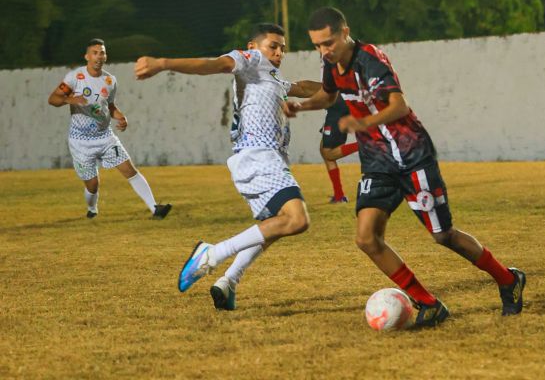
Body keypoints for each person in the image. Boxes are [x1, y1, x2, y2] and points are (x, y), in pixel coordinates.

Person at [285, 7, 526, 326]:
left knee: (444, 236)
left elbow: (399, 106)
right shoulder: (333, 63)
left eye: (328, 43)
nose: (324, 51)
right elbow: (329, 96)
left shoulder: (370, 59)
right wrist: (302, 106)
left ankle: (508, 280)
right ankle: (429, 304)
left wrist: (363, 122)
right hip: (377, 162)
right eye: (317, 45)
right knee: (366, 237)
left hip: (412, 156)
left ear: (345, 32)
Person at [135, 23, 320, 311]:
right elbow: (215, 64)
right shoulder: (251, 61)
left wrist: (341, 83)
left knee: (274, 226)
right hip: (259, 158)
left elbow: (303, 87)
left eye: (282, 47)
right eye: (273, 45)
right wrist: (163, 63)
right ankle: (213, 253)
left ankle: (229, 280)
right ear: (252, 47)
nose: (279, 51)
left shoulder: (272, 77)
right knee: (297, 220)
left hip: (264, 160)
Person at [48, 38, 172, 220]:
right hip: (80, 140)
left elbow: (110, 106)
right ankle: (92, 208)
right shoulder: (74, 78)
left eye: (102, 52)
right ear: (87, 56)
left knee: (130, 170)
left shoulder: (109, 80)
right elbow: (53, 99)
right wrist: (70, 99)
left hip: (105, 136)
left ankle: (155, 209)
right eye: (95, 53)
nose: (99, 56)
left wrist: (121, 116)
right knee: (92, 185)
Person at [319, 94, 358, 203]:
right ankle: (338, 195)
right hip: (336, 106)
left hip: (338, 106)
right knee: (324, 149)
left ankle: (364, 144)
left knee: (328, 153)